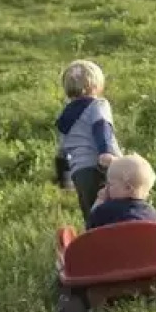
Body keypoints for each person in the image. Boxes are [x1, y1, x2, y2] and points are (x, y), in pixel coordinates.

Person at [54, 59, 121, 222]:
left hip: (79, 173)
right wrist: (105, 152)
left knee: (91, 214)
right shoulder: (98, 105)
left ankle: (93, 243)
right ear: (96, 85)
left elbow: (63, 150)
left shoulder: (64, 117)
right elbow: (101, 126)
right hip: (100, 167)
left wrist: (65, 179)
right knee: (115, 207)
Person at [86, 154, 156, 230]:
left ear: (127, 188)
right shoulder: (154, 215)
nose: (106, 188)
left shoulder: (105, 211)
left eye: (110, 184)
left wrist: (100, 200)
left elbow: (90, 232)